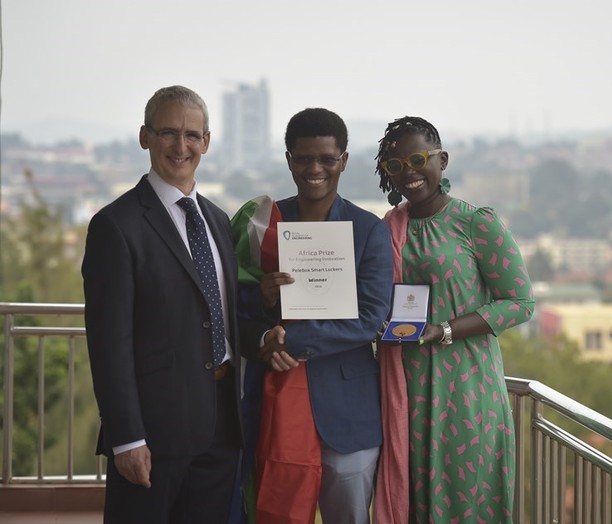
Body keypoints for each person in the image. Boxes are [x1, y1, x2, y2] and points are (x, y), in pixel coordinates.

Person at [82, 85, 242, 523]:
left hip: (221, 428)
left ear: (206, 142)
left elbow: (224, 315)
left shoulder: (218, 219)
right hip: (154, 436)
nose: (181, 145)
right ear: (144, 137)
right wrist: (127, 439)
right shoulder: (115, 226)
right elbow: (108, 343)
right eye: (168, 132)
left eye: (193, 135)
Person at [233, 107, 393, 523]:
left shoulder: (368, 229)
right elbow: (235, 309)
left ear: (343, 160)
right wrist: (267, 309)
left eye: (327, 159)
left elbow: (372, 318)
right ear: (289, 160)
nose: (315, 168)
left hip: (346, 413)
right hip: (276, 400)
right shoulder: (264, 223)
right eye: (304, 159)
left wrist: (293, 343)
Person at [373, 116, 535, 524]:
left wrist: (444, 330)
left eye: (417, 158)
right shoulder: (386, 230)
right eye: (396, 165)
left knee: (465, 501)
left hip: (466, 391)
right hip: (405, 393)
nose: (408, 172)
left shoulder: (475, 223)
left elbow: (519, 302)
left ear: (441, 159)